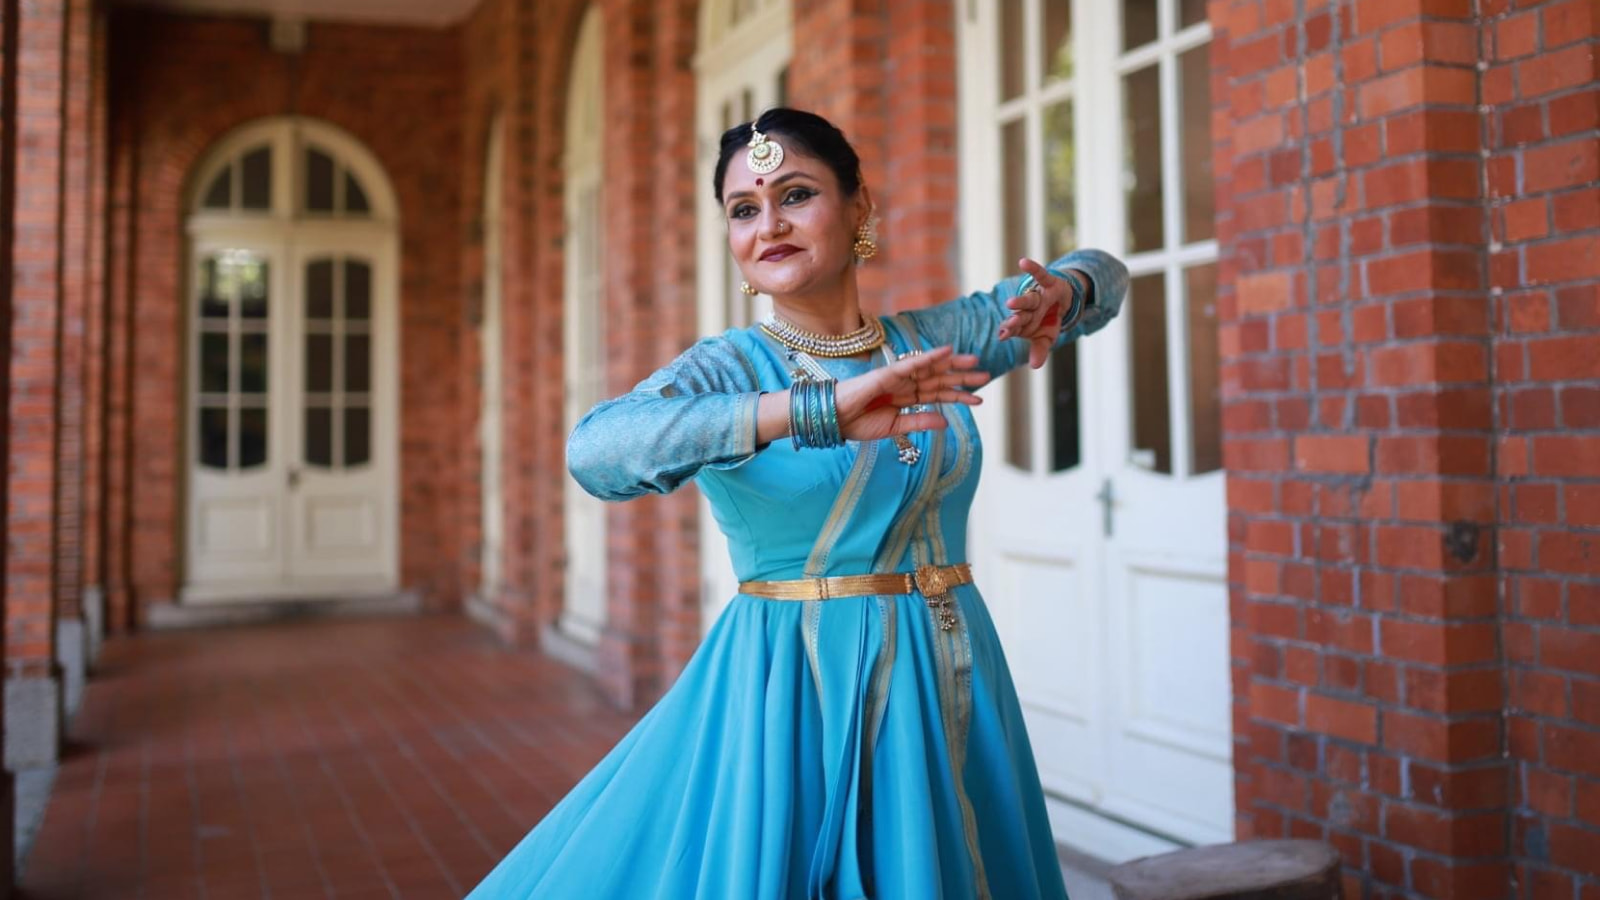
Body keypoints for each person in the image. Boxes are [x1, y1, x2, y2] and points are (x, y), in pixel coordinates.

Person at [468, 107, 1128, 900]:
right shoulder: (730, 367)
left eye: (797, 195)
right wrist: (812, 410)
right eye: (745, 209)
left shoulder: (926, 342)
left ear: (860, 207)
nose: (769, 224)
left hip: (952, 669)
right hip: (796, 687)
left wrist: (1070, 289)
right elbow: (597, 453)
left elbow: (1104, 273)